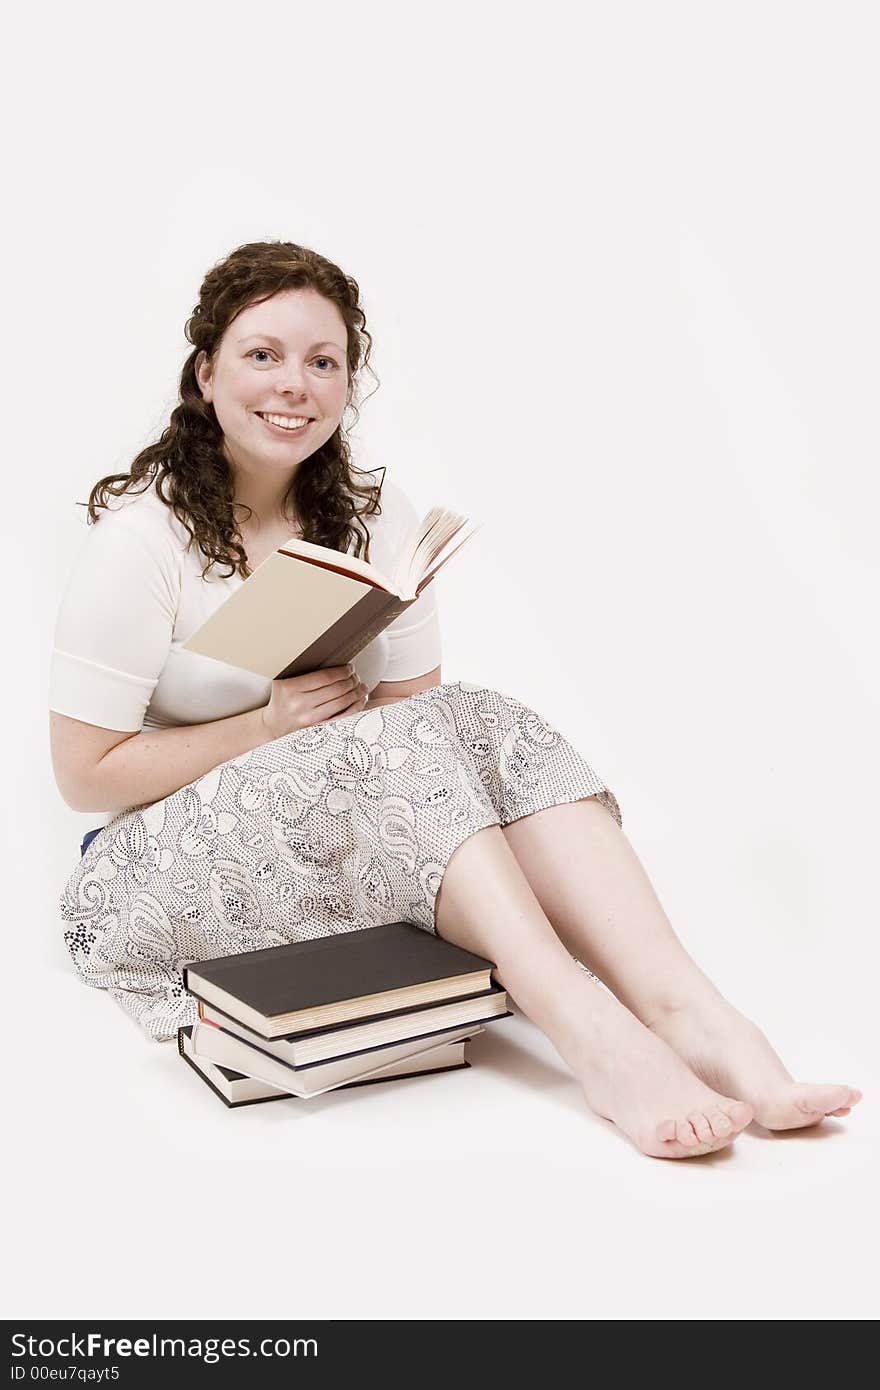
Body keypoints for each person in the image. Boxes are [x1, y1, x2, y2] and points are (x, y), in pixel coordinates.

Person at [49, 240, 862, 1161]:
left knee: (478, 716)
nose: (294, 384)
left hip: (325, 844)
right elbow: (85, 777)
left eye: (324, 362)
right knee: (407, 739)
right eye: (262, 354)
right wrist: (268, 726)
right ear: (206, 373)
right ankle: (587, 1028)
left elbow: (422, 737)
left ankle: (695, 1014)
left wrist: (334, 725)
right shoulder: (141, 542)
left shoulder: (373, 521)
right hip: (153, 870)